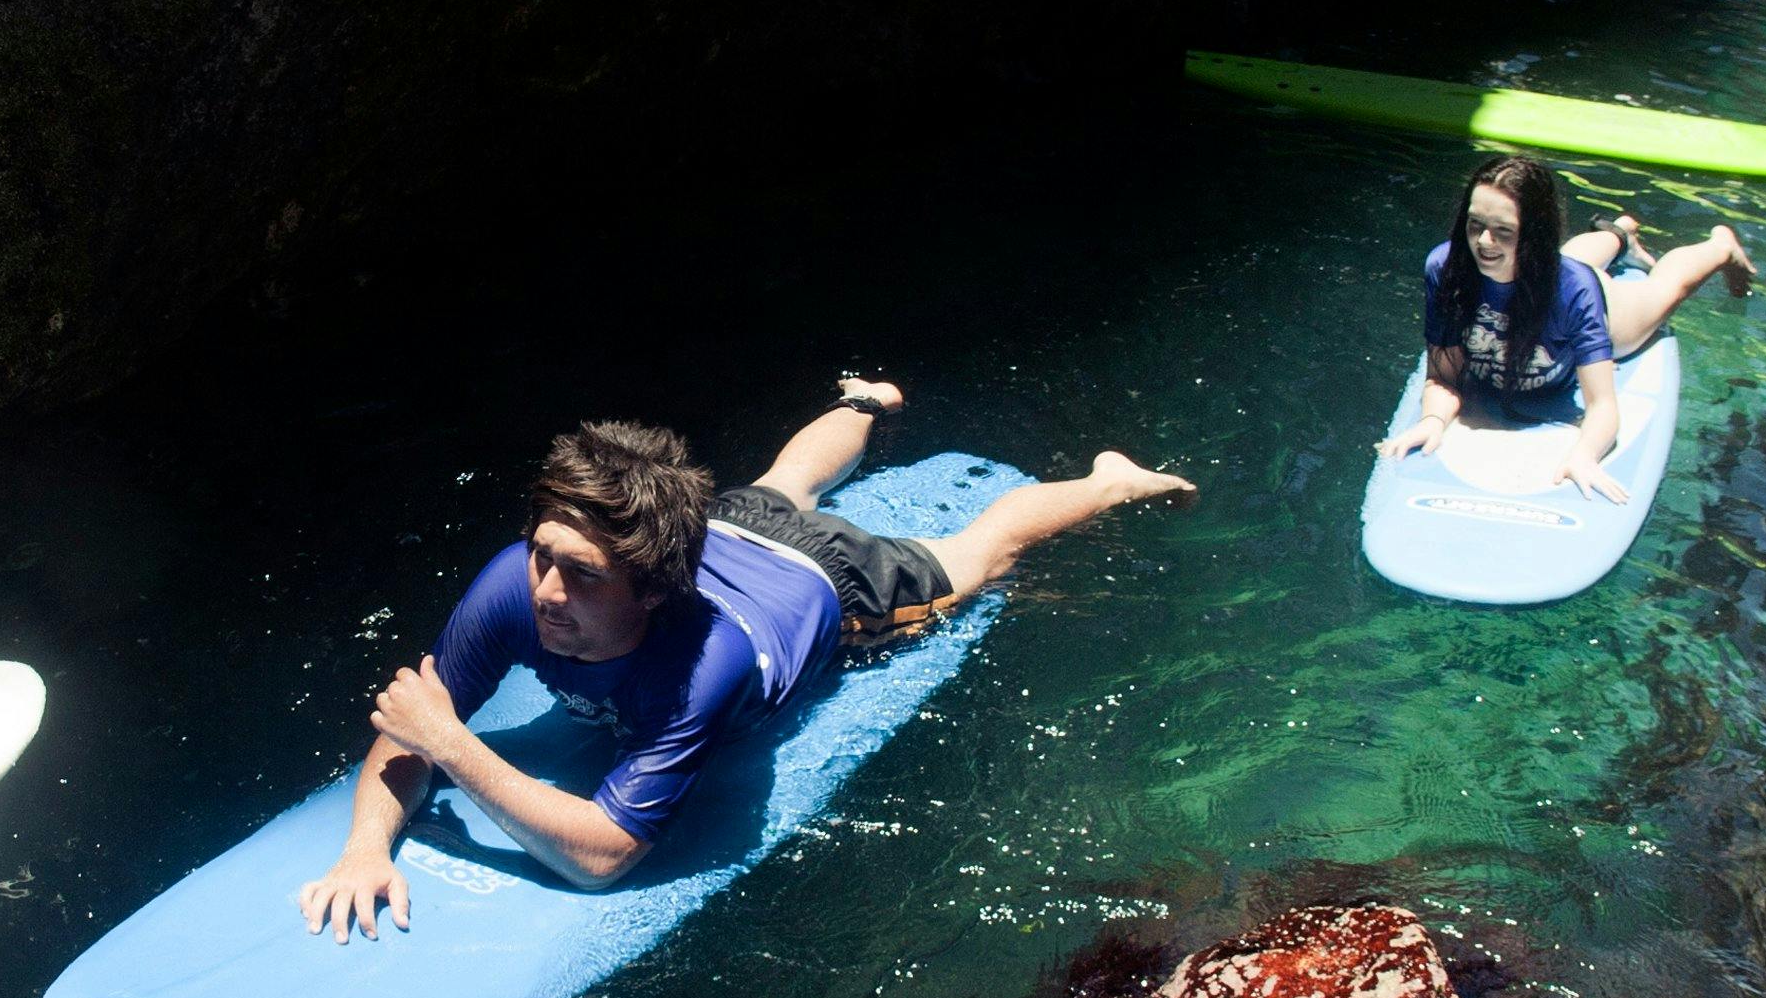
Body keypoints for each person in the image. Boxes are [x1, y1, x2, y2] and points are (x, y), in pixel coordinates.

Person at [299, 387, 1192, 938]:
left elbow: (604, 856)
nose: (546, 593)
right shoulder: (517, 580)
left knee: (980, 555)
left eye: (581, 576)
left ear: (654, 590)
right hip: (730, 528)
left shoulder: (704, 664)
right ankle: (866, 402)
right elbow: (411, 719)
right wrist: (365, 848)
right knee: (779, 486)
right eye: (542, 556)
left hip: (831, 586)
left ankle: (1108, 479)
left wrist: (454, 747)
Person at [1376, 154, 1752, 502]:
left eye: (1503, 230)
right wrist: (1433, 420)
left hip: (1595, 305)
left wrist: (1585, 455)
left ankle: (1721, 246)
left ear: (1533, 234)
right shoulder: (1447, 269)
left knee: (1664, 290)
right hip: (1538, 272)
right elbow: (1443, 376)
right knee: (1561, 260)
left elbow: (1603, 406)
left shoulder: (1574, 290)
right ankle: (1619, 234)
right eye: (1475, 225)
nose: (1483, 242)